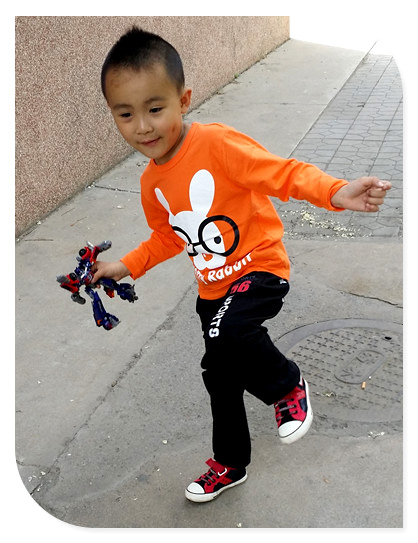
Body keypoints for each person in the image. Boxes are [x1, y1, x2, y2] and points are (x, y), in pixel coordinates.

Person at [93, 26, 391, 503]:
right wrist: (124, 266)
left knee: (230, 333)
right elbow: (167, 237)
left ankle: (287, 386)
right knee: (220, 375)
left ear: (183, 100)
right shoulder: (152, 183)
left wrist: (335, 192)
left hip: (259, 268)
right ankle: (230, 463)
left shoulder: (217, 145)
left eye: (155, 109)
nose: (143, 127)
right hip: (213, 291)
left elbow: (282, 173)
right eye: (125, 114)